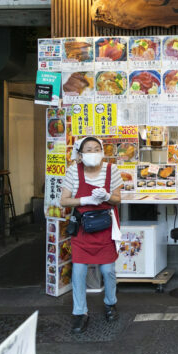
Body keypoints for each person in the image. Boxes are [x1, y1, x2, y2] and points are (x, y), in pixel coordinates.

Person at [60, 137, 123, 334]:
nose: (93, 152)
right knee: (78, 272)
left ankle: (110, 303)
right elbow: (64, 201)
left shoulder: (112, 170)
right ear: (80, 154)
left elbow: (117, 200)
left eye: (97, 148)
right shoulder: (73, 171)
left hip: (104, 228)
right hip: (82, 229)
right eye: (88, 149)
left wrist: (106, 197)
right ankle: (80, 312)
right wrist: (85, 199)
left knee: (108, 271)